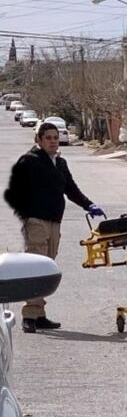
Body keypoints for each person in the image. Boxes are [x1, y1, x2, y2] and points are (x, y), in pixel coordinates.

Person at [3, 121, 105, 333]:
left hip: (54, 222)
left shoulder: (60, 163)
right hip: (36, 222)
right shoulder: (29, 161)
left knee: (45, 268)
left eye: (55, 138)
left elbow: (71, 189)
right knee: (33, 268)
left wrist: (89, 204)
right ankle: (29, 315)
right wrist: (25, 217)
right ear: (39, 140)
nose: (52, 141)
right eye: (48, 138)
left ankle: (40, 315)